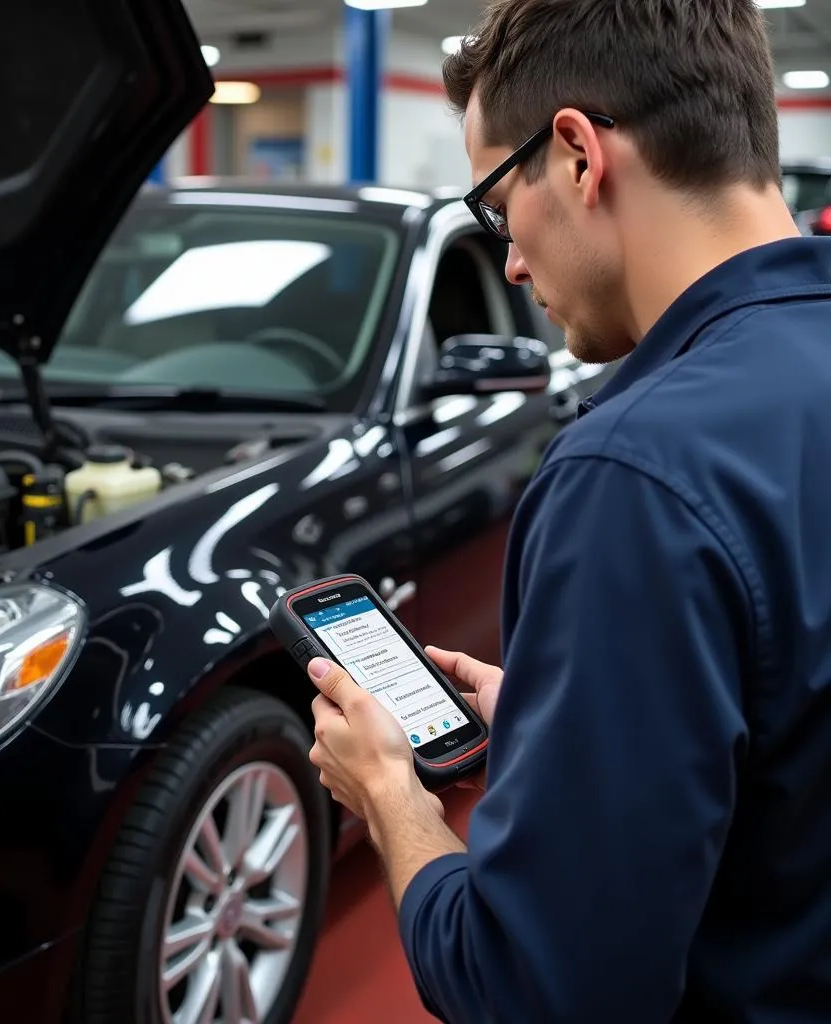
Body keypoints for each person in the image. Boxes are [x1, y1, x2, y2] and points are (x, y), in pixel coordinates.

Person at [305, 0, 831, 1020]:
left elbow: (535, 990)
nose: (506, 261)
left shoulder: (633, 474)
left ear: (579, 155)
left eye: (497, 209)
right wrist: (573, 718)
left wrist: (391, 801)